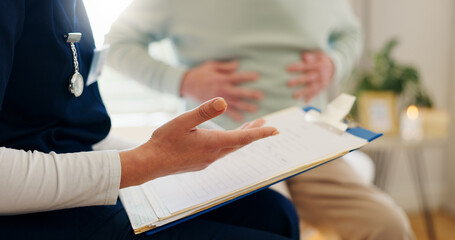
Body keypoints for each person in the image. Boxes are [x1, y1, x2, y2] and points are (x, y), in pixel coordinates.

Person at [105, 0, 415, 239]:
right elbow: (116, 43)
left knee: (389, 224)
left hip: (309, 144)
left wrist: (333, 64)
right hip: (223, 148)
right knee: (271, 225)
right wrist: (182, 80)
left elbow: (350, 32)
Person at [0, 1, 301, 239]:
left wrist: (184, 153)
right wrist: (151, 161)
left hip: (70, 181)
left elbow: (70, 128)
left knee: (274, 213)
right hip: (28, 214)